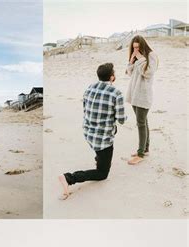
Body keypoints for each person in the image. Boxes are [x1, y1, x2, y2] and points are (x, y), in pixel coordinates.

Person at [58, 63, 126, 199]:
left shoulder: (90, 88)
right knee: (102, 174)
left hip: (88, 132)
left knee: (103, 148)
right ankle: (69, 178)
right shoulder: (116, 93)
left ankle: (99, 158)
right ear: (112, 77)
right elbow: (121, 119)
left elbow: (85, 109)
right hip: (103, 138)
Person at [125, 36, 158, 165]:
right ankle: (146, 148)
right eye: (134, 47)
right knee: (144, 121)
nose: (136, 49)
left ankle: (140, 154)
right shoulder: (137, 57)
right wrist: (132, 60)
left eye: (138, 47)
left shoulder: (151, 56)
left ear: (143, 45)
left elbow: (148, 73)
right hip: (134, 93)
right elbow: (129, 73)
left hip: (143, 94)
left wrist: (139, 59)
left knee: (140, 123)